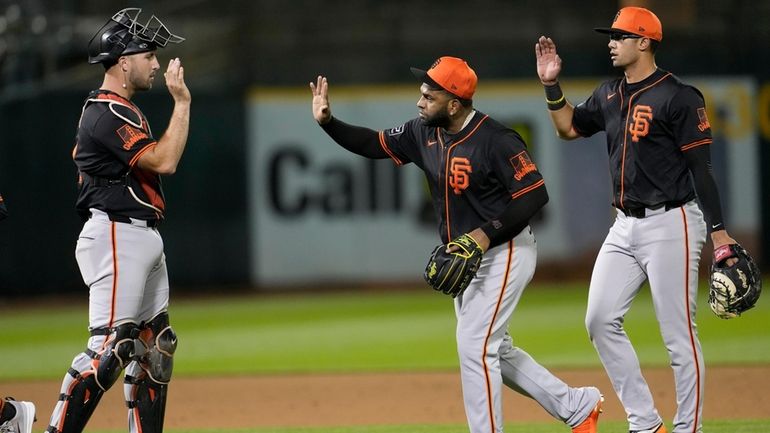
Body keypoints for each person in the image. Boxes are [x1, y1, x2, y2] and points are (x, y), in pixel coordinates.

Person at [310, 56, 603, 433]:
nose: (420, 102)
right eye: (421, 94)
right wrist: (328, 123)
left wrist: (483, 235)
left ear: (453, 104)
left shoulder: (496, 139)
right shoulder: (422, 133)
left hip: (506, 250)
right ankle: (577, 406)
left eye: (428, 96)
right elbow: (373, 143)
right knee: (494, 347)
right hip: (465, 257)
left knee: (474, 344)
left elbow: (534, 195)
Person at [535, 7, 738, 433]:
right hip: (624, 225)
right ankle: (646, 422)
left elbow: (702, 169)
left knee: (678, 337)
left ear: (644, 41)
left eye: (620, 35)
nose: (611, 41)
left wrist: (720, 235)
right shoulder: (609, 93)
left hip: (673, 223)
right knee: (599, 319)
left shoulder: (678, 96)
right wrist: (552, 86)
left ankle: (689, 428)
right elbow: (568, 127)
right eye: (611, 35)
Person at [45, 8, 190, 433]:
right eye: (148, 55)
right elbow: (164, 161)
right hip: (114, 233)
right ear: (123, 61)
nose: (156, 63)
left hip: (138, 236)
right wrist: (182, 103)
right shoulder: (107, 111)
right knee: (108, 352)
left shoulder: (123, 109)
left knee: (155, 348)